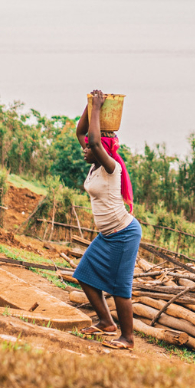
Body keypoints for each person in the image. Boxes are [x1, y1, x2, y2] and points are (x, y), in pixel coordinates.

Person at [72, 90, 142, 351]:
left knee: (121, 288)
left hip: (123, 233)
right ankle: (106, 322)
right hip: (107, 234)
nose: (85, 149)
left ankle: (128, 338)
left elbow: (94, 139)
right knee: (84, 275)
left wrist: (98, 110)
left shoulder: (112, 167)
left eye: (89, 147)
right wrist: (89, 106)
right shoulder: (94, 165)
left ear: (101, 149)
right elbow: (82, 133)